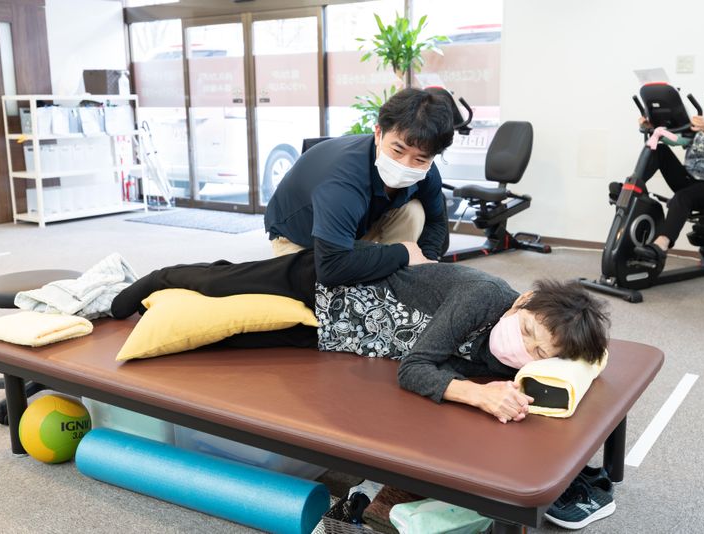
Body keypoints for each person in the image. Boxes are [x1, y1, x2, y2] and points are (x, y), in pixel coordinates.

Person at [111, 252, 610, 425]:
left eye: (539, 352)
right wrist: (476, 395)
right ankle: (155, 278)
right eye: (527, 333)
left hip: (338, 334)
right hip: (325, 284)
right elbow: (415, 370)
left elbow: (586, 358)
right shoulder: (482, 296)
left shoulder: (517, 361)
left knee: (220, 342)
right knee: (219, 282)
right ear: (523, 302)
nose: (524, 350)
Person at [263, 88, 455, 287]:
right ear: (378, 133)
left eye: (420, 159)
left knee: (414, 211)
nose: (405, 165)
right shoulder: (343, 181)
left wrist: (426, 263)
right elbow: (330, 268)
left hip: (357, 229)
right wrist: (404, 253)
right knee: (328, 294)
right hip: (303, 240)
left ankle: (393, 279)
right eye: (398, 150)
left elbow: (435, 221)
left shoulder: (426, 172)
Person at [632, 85, 704, 267]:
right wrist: (655, 129)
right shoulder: (699, 127)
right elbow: (678, 140)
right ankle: (633, 187)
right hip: (689, 179)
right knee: (660, 150)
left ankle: (660, 246)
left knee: (682, 197)